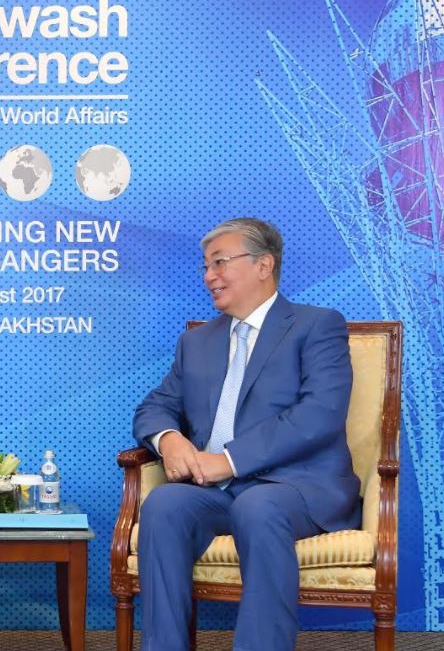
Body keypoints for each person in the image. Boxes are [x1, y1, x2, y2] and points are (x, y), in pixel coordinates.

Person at [132, 218, 361, 651]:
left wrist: (229, 460)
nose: (208, 276)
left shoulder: (317, 326)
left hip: (295, 488)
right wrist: (169, 439)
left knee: (258, 506)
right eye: (205, 266)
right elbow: (156, 406)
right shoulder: (197, 341)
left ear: (264, 265)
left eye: (220, 262)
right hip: (218, 492)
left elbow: (321, 414)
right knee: (163, 504)